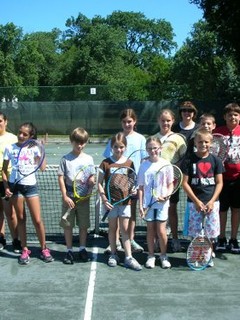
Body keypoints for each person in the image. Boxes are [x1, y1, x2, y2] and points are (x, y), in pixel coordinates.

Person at [2, 122, 53, 265]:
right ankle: (25, 249)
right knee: (21, 219)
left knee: (37, 220)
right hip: (15, 187)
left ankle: (44, 248)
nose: (20, 135)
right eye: (19, 132)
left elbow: (43, 168)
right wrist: (6, 186)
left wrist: (42, 149)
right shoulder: (9, 148)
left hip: (30, 187)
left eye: (25, 134)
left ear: (31, 136)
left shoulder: (35, 148)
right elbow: (4, 170)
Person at [103, 108, 146, 253]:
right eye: (124, 122)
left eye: (130, 121)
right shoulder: (115, 139)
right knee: (114, 214)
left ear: (135, 122)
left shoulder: (140, 139)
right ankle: (115, 242)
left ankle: (130, 239)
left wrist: (137, 181)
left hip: (132, 182)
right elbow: (108, 160)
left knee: (130, 212)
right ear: (121, 123)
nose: (127, 124)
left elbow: (143, 159)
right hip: (115, 183)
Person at [98, 132, 142, 270]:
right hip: (110, 204)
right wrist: (104, 199)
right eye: (116, 147)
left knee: (125, 230)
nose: (119, 150)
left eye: (121, 147)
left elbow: (132, 182)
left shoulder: (130, 163)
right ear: (112, 147)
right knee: (112, 229)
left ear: (125, 147)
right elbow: (99, 183)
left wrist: (133, 190)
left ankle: (128, 257)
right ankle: (113, 254)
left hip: (125, 203)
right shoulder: (105, 163)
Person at [182, 129, 224, 266]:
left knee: (210, 234)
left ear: (211, 143)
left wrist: (211, 201)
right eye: (200, 141)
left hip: (212, 203)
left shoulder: (216, 160)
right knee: (196, 233)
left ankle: (207, 255)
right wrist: (196, 201)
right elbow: (184, 183)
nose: (203, 144)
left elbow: (219, 183)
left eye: (206, 142)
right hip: (194, 204)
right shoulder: (189, 160)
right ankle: (197, 255)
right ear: (195, 142)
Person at [58, 127, 95, 264]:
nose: (80, 145)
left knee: (83, 225)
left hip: (84, 198)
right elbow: (61, 178)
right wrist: (65, 196)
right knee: (68, 225)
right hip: (69, 198)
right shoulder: (65, 159)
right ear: (71, 141)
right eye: (77, 142)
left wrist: (91, 184)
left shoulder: (89, 159)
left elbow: (91, 176)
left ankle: (82, 249)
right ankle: (69, 251)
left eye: (83, 142)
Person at [154, 109, 187, 252]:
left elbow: (184, 158)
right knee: (156, 211)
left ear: (173, 121)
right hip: (156, 183)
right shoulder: (153, 138)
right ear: (158, 121)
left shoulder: (178, 138)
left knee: (171, 210)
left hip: (172, 181)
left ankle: (174, 239)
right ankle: (156, 240)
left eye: (168, 120)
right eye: (163, 120)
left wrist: (172, 171)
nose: (165, 123)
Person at [138, 136, 173, 269]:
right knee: (150, 230)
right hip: (148, 204)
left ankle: (163, 256)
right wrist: (141, 205)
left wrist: (166, 195)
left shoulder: (166, 164)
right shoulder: (143, 165)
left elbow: (170, 184)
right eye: (150, 148)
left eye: (155, 148)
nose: (152, 151)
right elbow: (140, 187)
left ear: (160, 148)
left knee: (161, 230)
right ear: (146, 150)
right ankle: (151, 256)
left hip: (162, 204)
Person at [214, 103, 240, 253]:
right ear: (225, 117)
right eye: (230, 114)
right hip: (222, 179)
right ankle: (221, 238)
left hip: (238, 180)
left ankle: (234, 239)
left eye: (236, 114)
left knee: (236, 210)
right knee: (222, 210)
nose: (233, 117)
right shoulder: (218, 133)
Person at [0, 112, 21, 252]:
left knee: (10, 213)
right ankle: (1, 238)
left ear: (5, 122)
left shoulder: (13, 139)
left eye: (0, 120)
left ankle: (16, 240)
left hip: (7, 182)